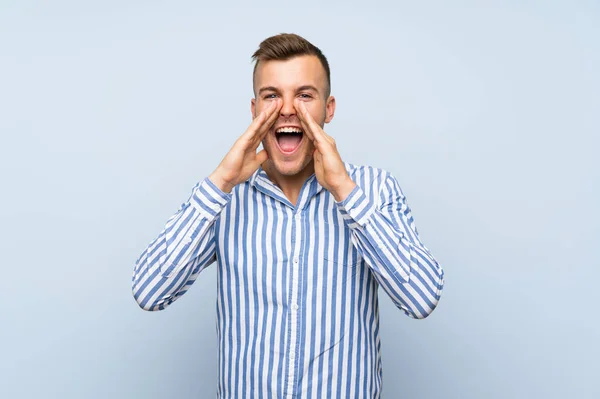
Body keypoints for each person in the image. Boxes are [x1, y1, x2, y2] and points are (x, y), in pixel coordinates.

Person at [132, 33, 445, 399]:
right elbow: (149, 291)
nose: (287, 109)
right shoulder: (225, 199)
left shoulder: (375, 190)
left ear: (328, 109)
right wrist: (221, 181)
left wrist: (345, 192)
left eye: (304, 95)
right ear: (254, 111)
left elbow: (422, 298)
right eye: (272, 95)